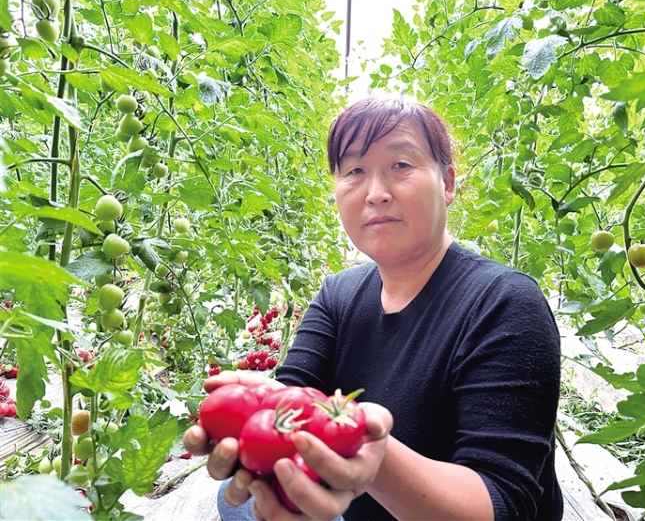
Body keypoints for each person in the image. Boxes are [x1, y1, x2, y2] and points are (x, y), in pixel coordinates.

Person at [184, 96, 564, 521]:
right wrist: (258, 421)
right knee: (242, 497)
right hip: (348, 510)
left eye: (401, 165)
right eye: (354, 171)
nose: (376, 193)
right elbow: (290, 402)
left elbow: (503, 502)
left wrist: (371, 457)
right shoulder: (338, 295)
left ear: (447, 184)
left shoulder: (504, 303)